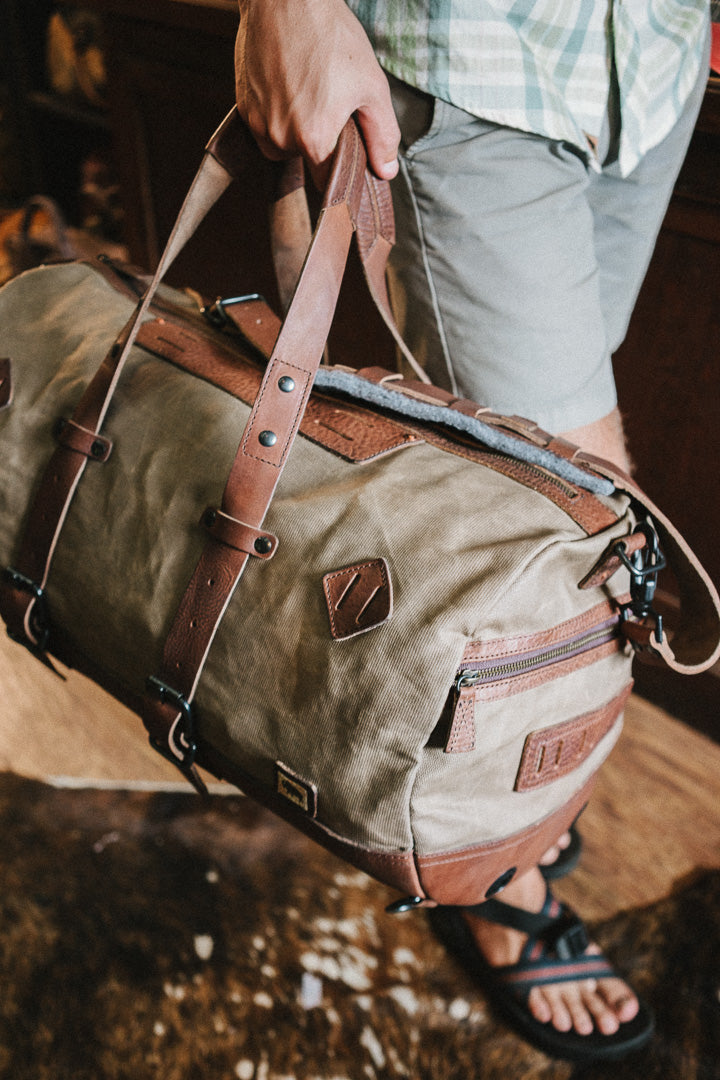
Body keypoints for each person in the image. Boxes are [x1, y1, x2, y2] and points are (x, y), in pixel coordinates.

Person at [233, 0, 711, 1061]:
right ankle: (493, 871)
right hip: (472, 59)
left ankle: (488, 771)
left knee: (522, 461)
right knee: (578, 536)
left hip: (649, 63)